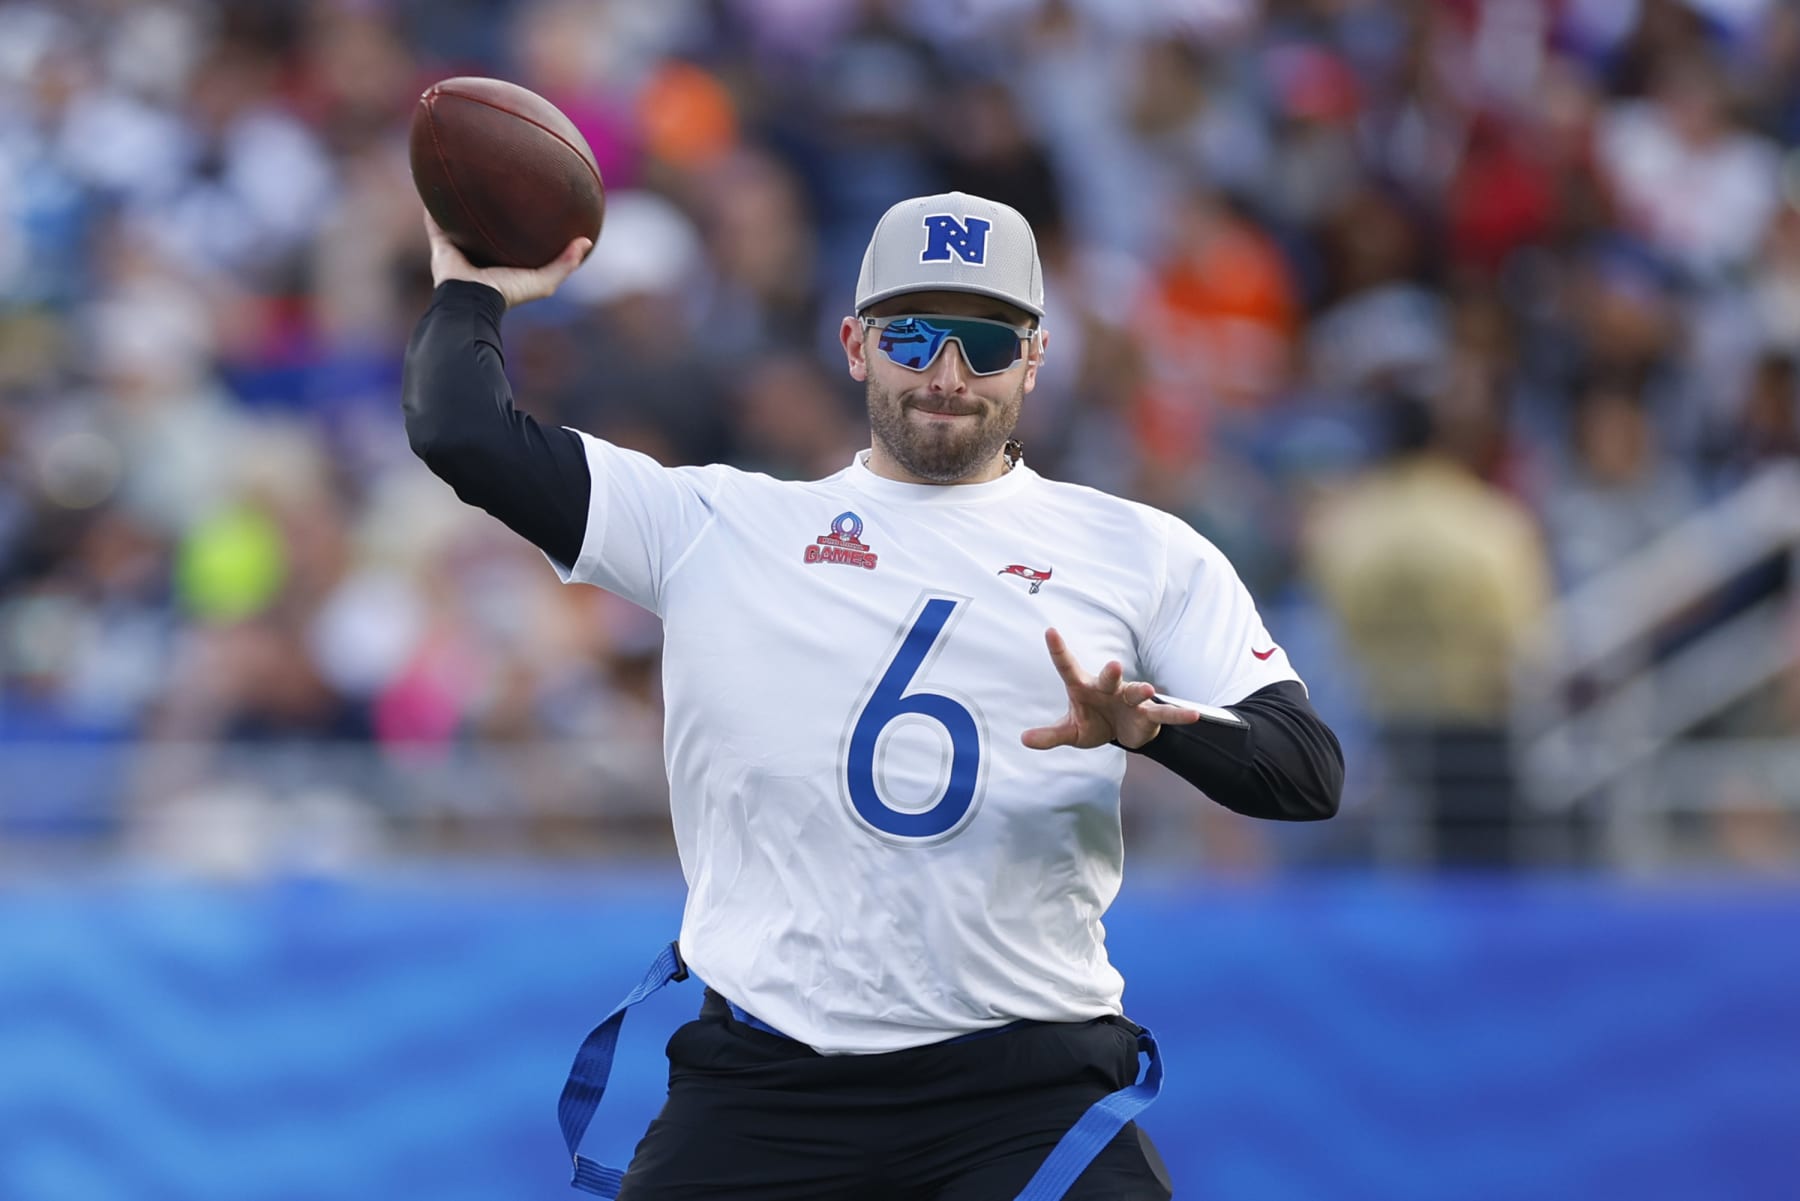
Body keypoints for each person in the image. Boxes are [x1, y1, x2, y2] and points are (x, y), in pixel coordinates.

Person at [402, 191, 1344, 1201]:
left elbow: (1304, 770)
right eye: (914, 337)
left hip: (1021, 1086)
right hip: (771, 1080)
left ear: (1034, 358)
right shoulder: (720, 523)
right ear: (855, 344)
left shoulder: (1140, 550)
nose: (946, 374)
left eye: (983, 343)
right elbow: (462, 432)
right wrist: (471, 291)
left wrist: (1155, 730)